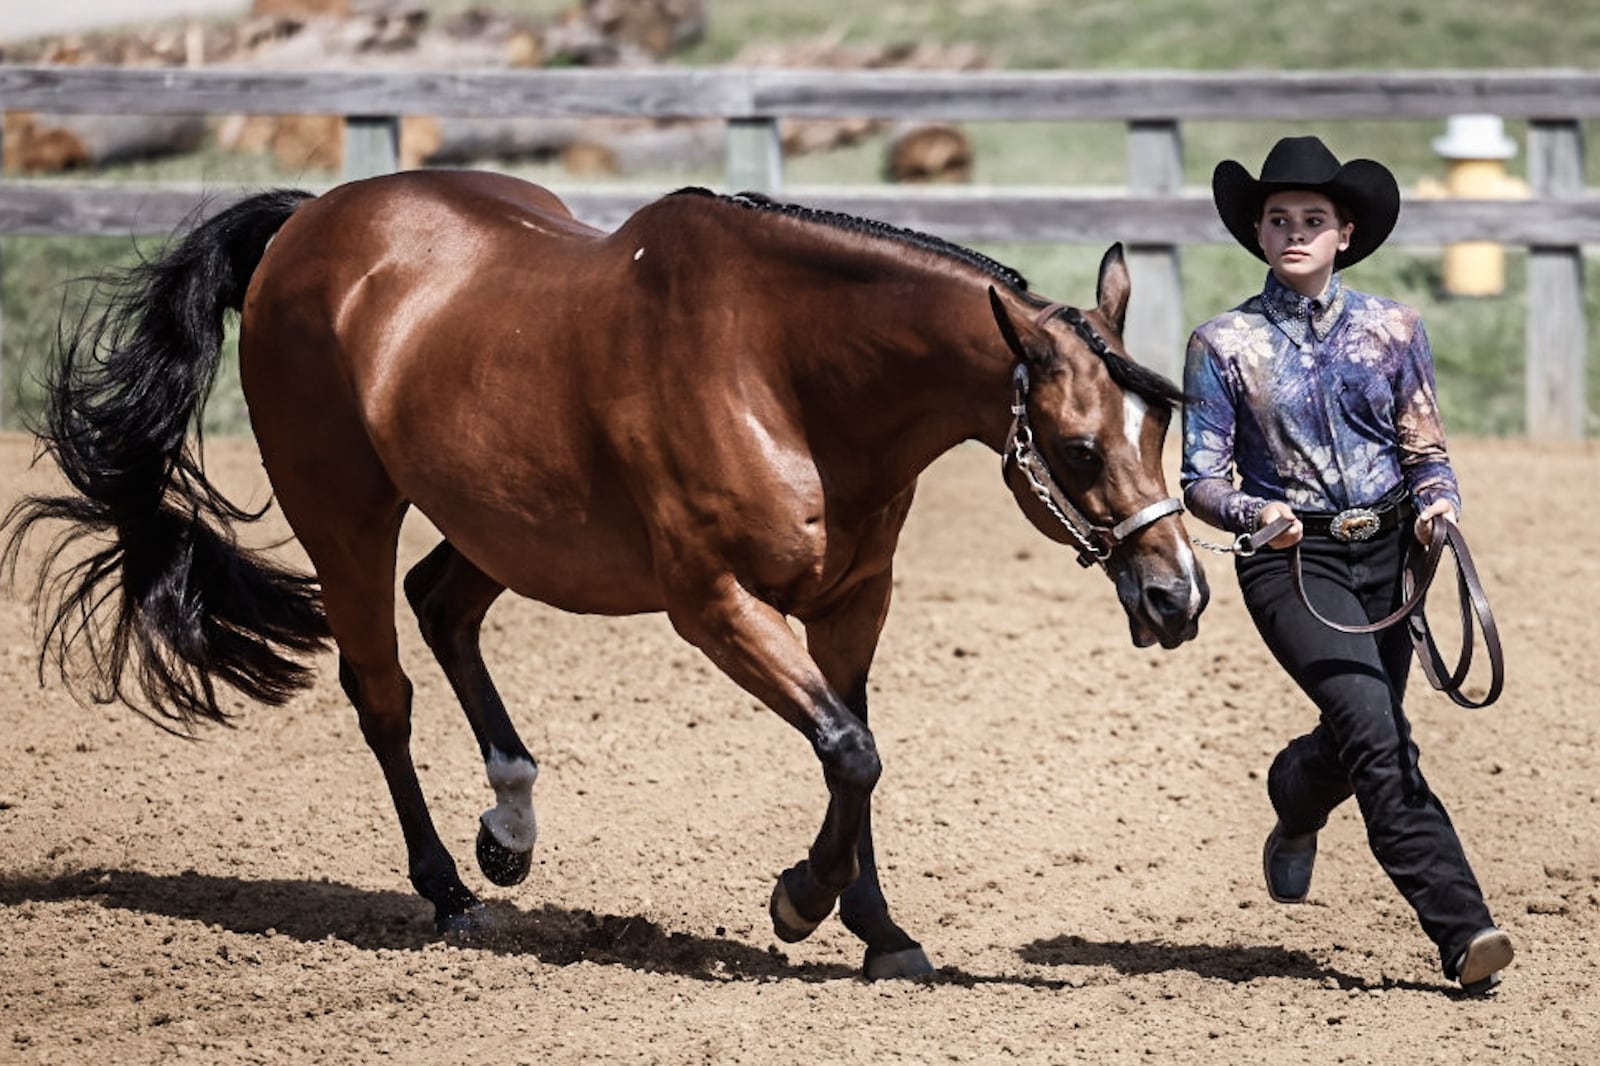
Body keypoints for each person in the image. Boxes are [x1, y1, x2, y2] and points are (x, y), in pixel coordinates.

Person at [1180, 135, 1513, 993]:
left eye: (1313, 220)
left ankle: (1295, 796)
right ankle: (1462, 927)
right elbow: (1202, 482)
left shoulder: (1397, 329)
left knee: (1357, 728)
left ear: (1345, 233)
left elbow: (1423, 446)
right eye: (1279, 219)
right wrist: (1262, 513)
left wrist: (1440, 500)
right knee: (1379, 731)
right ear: (1258, 232)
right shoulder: (1223, 344)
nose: (1295, 232)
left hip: (1395, 552)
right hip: (1292, 562)